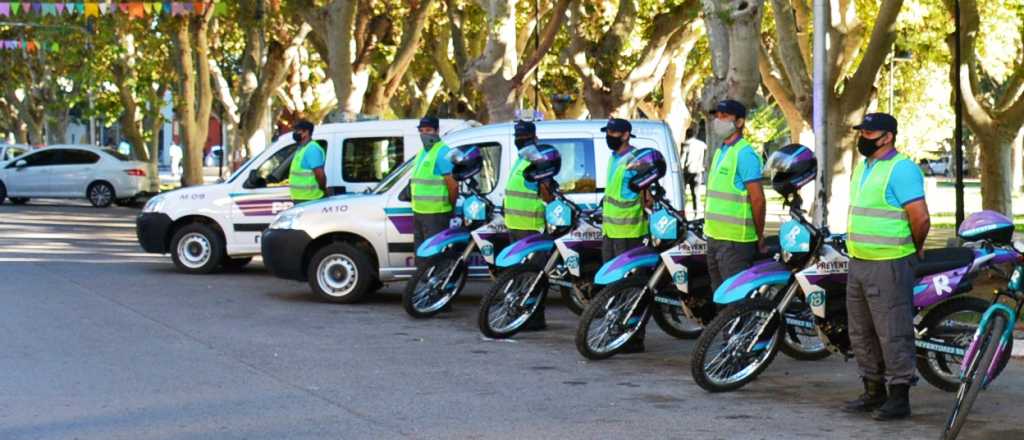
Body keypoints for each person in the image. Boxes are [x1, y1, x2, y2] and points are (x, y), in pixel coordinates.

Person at [842, 112, 929, 421]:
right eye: (861, 132)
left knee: (893, 332)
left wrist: (914, 247)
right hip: (860, 261)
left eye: (868, 133)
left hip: (889, 263)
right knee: (861, 331)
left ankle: (899, 397)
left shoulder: (901, 169)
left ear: (887, 136)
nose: (862, 137)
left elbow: (920, 218)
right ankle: (873, 390)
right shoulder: (863, 167)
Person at [703, 99, 766, 293]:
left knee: (735, 299)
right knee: (719, 295)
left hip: (735, 242)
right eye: (717, 116)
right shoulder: (721, 151)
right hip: (714, 237)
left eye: (724, 116)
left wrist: (759, 235)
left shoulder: (745, 154)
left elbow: (758, 200)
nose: (718, 120)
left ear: (739, 122)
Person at [600, 118, 650, 353]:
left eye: (614, 132)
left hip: (630, 233)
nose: (609, 136)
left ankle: (633, 336)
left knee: (631, 288)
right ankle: (617, 330)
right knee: (614, 286)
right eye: (608, 132)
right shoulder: (613, 158)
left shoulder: (636, 160)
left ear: (626, 134)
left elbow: (647, 196)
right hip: (611, 232)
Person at [504, 120, 555, 330]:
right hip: (515, 226)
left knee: (533, 275)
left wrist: (545, 182)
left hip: (532, 228)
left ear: (535, 138)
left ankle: (534, 317)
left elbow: (548, 195)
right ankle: (520, 313)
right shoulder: (520, 159)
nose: (520, 140)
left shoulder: (540, 159)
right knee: (519, 275)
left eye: (524, 137)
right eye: (518, 137)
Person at [411, 116, 459, 268]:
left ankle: (436, 281)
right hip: (419, 212)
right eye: (421, 130)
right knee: (422, 256)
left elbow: (453, 186)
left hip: (436, 214)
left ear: (437, 131)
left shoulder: (442, 152)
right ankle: (422, 281)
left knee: (434, 258)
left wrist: (450, 207)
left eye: (428, 130)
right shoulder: (422, 152)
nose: (424, 134)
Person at [288, 120, 326, 203]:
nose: (295, 133)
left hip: (310, 198)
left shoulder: (312, 149)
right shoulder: (302, 148)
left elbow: (320, 175)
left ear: (306, 132)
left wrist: (323, 189)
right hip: (302, 197)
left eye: (297, 130)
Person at [681, 126, 707, 216]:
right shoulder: (702, 144)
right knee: (696, 193)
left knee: (682, 193)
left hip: (687, 172)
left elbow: (683, 158)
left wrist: (680, 168)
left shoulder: (686, 144)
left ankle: (682, 211)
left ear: (686, 134)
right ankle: (696, 212)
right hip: (698, 171)